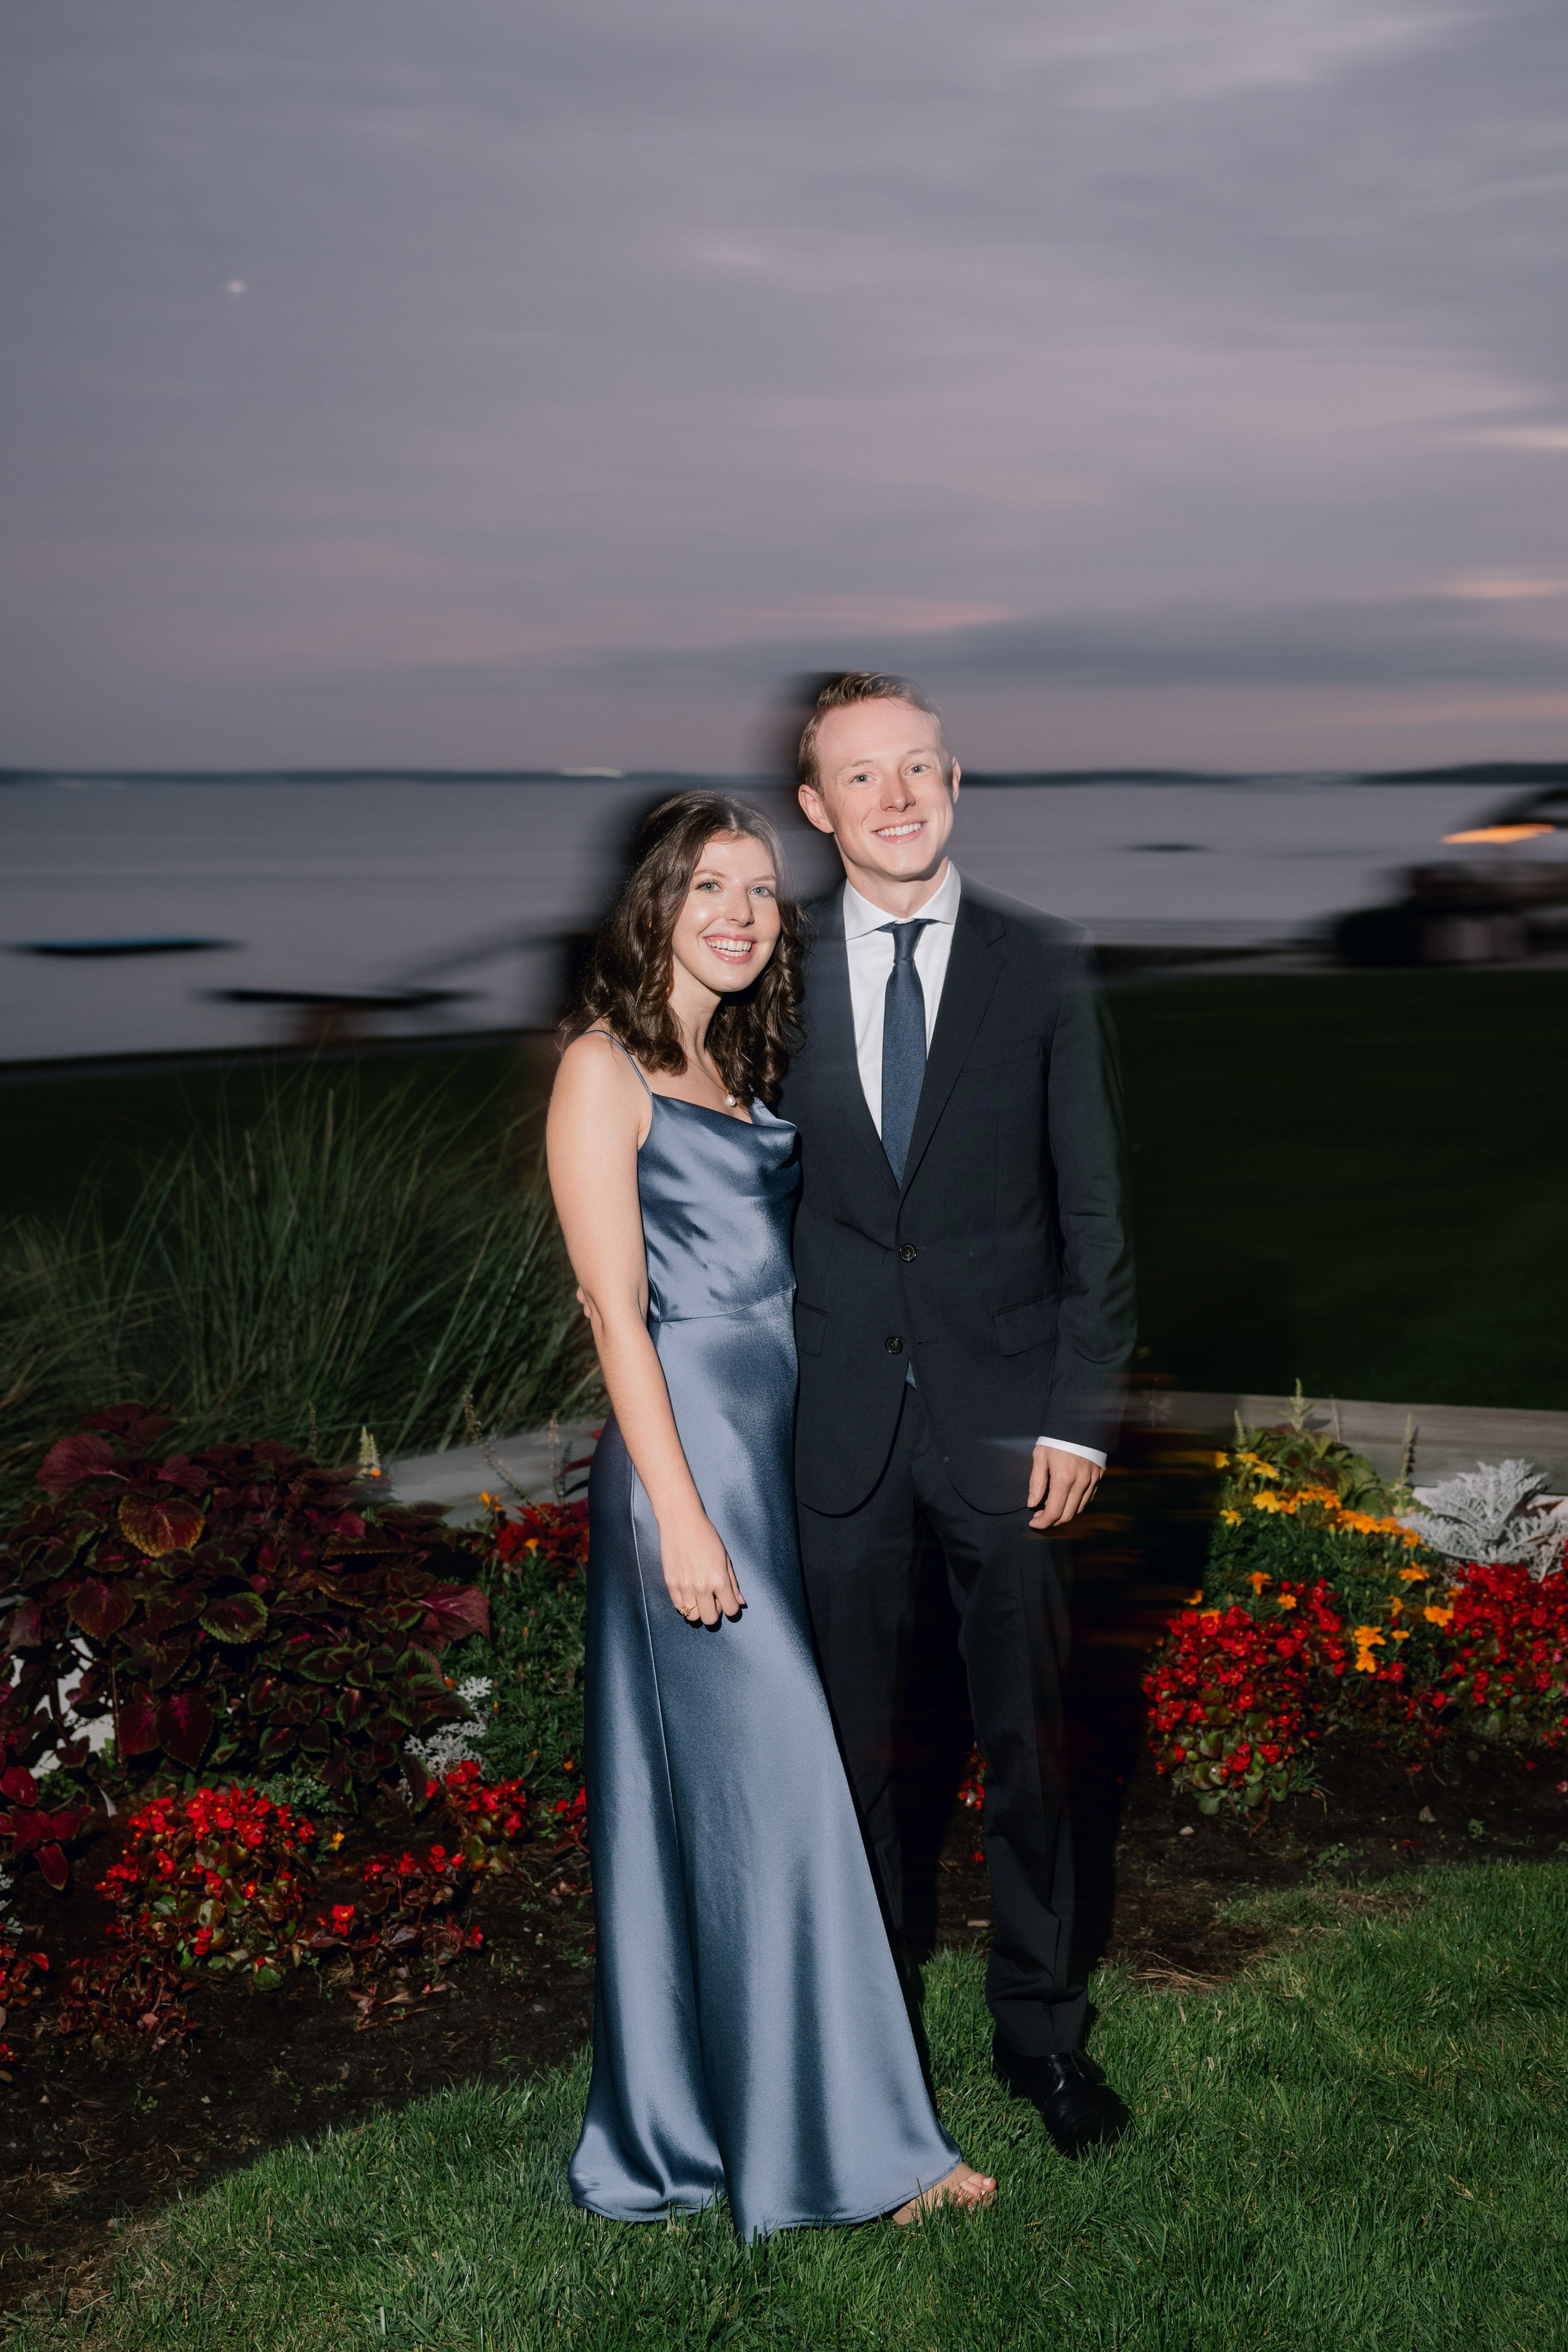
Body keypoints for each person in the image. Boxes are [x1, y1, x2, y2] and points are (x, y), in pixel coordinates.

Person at [546, 790, 995, 2242]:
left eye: (756, 891)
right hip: (687, 1474)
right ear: (655, 907)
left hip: (772, 1459)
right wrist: (682, 1520)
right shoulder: (602, 1068)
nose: (737, 914)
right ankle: (858, 2155)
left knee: (739, 1811)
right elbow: (613, 1314)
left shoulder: (730, 1061)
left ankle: (696, 2126)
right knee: (790, 1792)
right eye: (707, 888)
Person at [780, 673, 1137, 2157]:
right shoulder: (765, 966)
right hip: (835, 1427)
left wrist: (1079, 1416)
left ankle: (1039, 2036)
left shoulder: (1038, 961)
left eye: (917, 766)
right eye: (862, 776)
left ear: (953, 779)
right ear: (816, 806)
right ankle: (866, 2058)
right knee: (851, 1765)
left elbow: (1094, 1208)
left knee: (1034, 1749)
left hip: (1010, 1429)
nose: (897, 797)